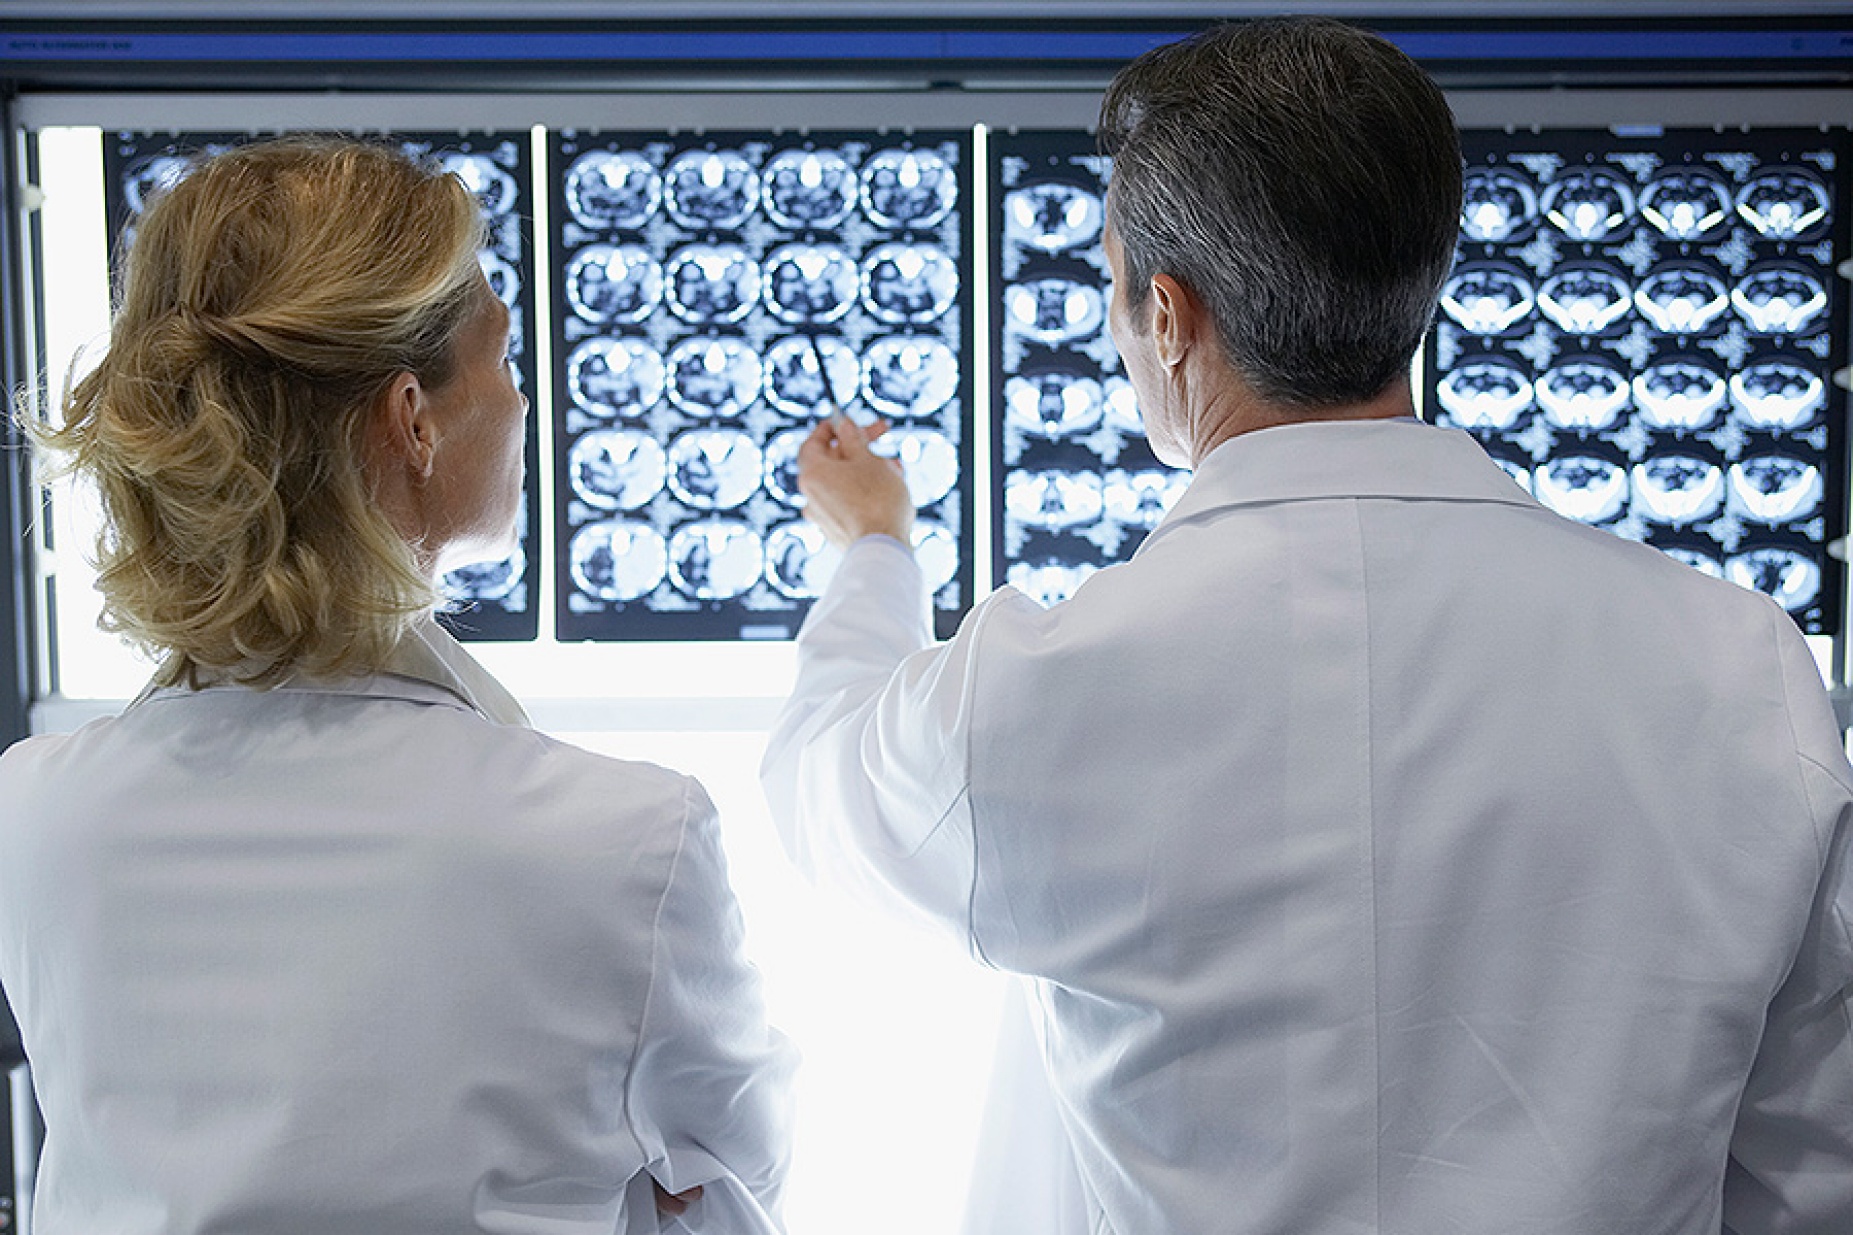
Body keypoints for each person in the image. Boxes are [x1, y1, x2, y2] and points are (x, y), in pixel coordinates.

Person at [761, 17, 1853, 1235]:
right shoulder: (1738, 669)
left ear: (1166, 316)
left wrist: (873, 549)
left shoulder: (1028, 693)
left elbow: (819, 784)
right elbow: (1810, 1176)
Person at [0, 137, 795, 1235]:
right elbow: (733, 1177)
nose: (521, 400)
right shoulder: (626, 840)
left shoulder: (34, 814)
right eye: (503, 357)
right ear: (412, 418)